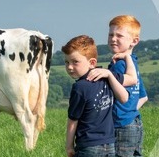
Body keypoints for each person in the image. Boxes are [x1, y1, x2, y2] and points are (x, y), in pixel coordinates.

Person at [62, 35, 137, 157]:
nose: (70, 67)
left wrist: (69, 146)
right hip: (109, 145)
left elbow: (73, 120)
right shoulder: (106, 76)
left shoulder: (80, 87)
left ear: (92, 63)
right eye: (66, 62)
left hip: (88, 146)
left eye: (75, 62)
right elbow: (133, 79)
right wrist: (127, 58)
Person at [107, 15, 148, 156]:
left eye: (119, 35)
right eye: (111, 34)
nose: (113, 38)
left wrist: (122, 114)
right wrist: (129, 112)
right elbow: (143, 97)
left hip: (120, 125)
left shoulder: (119, 66)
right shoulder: (133, 64)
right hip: (135, 123)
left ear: (134, 41)